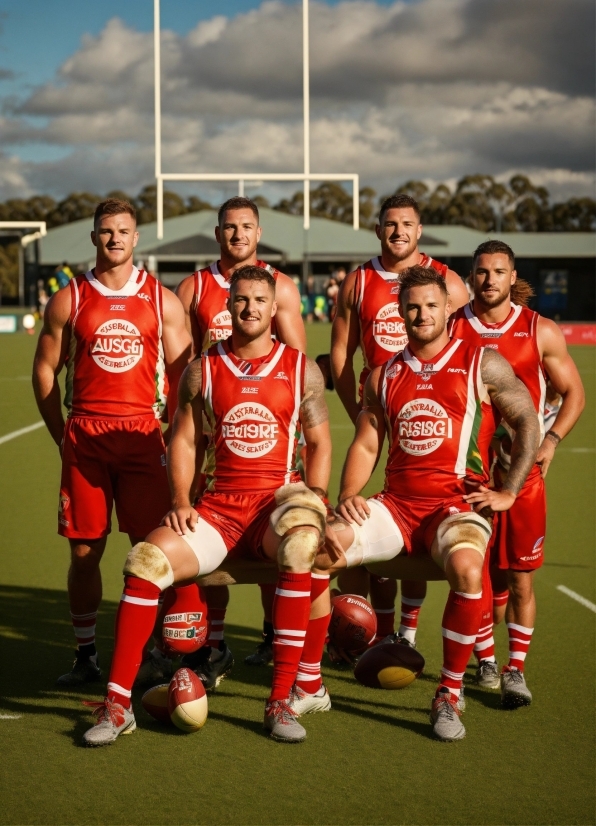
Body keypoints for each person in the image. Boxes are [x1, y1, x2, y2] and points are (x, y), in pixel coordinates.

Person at [81, 265, 332, 746]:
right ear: (228, 306)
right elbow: (183, 440)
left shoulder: (302, 368)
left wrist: (316, 499)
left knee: (302, 545)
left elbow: (319, 442)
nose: (250, 308)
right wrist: (179, 499)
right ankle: (117, 706)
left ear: (274, 306)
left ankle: (280, 698)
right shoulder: (203, 368)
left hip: (277, 500)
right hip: (218, 505)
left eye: (260, 300)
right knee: (144, 562)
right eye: (241, 300)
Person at [319, 265, 540, 741]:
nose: (422, 314)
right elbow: (365, 444)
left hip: (456, 506)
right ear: (399, 312)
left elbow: (527, 421)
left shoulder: (483, 361)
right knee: (320, 546)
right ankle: (305, 681)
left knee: (465, 568)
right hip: (397, 506)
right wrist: (349, 496)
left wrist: (509, 490)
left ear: (449, 310)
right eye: (413, 306)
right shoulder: (383, 375)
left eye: (432, 306)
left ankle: (448, 692)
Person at [32, 198, 191, 686]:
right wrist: (62, 435)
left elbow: (185, 376)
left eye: (123, 231)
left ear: (136, 237)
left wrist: (177, 434)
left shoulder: (162, 299)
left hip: (144, 437)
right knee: (84, 554)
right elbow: (43, 369)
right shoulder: (69, 298)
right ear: (95, 237)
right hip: (87, 438)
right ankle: (85, 656)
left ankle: (152, 652)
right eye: (106, 231)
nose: (115, 238)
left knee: (153, 552)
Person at [170, 197, 307, 681]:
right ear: (217, 232)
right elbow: (180, 363)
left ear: (258, 231)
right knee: (208, 545)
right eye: (230, 227)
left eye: (246, 227)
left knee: (282, 542)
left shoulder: (280, 286)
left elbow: (296, 362)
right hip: (211, 427)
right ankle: (215, 641)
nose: (238, 235)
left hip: (269, 431)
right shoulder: (194, 287)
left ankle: (275, 637)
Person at [329, 194, 470, 650]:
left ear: (420, 229)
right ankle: (370, 633)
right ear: (378, 230)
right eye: (390, 224)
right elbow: (340, 354)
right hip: (383, 405)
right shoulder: (360, 281)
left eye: (406, 224)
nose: (398, 232)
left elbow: (466, 353)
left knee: (427, 512)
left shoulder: (446, 280)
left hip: (436, 414)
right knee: (372, 514)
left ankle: (406, 632)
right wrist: (359, 414)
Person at [448, 240, 585, 706]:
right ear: (472, 276)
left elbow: (575, 395)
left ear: (512, 276)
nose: (489, 280)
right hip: (470, 474)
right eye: (481, 272)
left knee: (519, 579)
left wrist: (550, 441)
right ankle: (485, 660)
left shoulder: (538, 330)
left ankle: (515, 669)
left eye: (498, 272)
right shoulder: (452, 328)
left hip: (522, 477)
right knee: (478, 571)